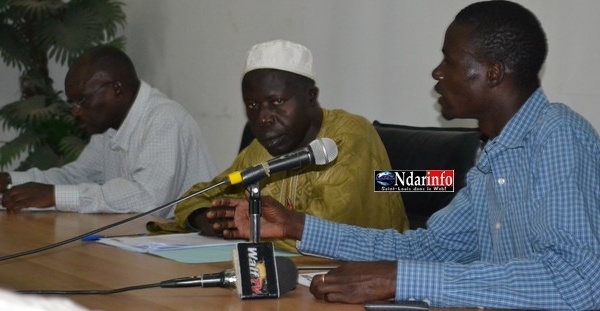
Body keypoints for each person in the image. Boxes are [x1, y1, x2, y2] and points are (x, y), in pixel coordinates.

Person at [208, 2, 600, 310]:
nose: (436, 73)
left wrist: (402, 279)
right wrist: (297, 226)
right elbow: (429, 248)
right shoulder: (493, 158)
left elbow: (577, 282)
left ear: (492, 73)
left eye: (449, 60)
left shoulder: (558, 140)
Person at [148, 39, 409, 252]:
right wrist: (215, 221)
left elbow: (328, 230)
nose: (263, 118)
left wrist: (247, 226)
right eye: (253, 106)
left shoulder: (347, 137)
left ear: (310, 97)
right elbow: (196, 198)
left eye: (277, 102)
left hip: (368, 282)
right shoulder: (264, 148)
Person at [0, 45, 217, 218]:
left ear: (116, 90)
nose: (75, 112)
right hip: (142, 244)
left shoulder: (164, 120)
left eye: (81, 100)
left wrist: (56, 196)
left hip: (186, 249)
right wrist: (11, 180)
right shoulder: (109, 127)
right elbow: (76, 176)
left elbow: (148, 201)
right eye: (72, 103)